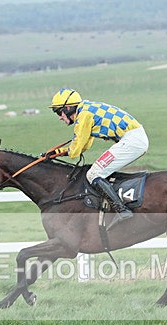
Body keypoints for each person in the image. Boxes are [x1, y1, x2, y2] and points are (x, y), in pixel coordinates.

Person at [49, 88, 149, 229]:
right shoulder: (86, 110)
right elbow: (85, 144)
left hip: (132, 140)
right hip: (133, 138)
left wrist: (56, 153)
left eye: (58, 112)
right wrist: (58, 152)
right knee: (98, 171)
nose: (59, 117)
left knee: (94, 173)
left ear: (68, 108)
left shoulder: (83, 116)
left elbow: (75, 151)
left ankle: (122, 211)